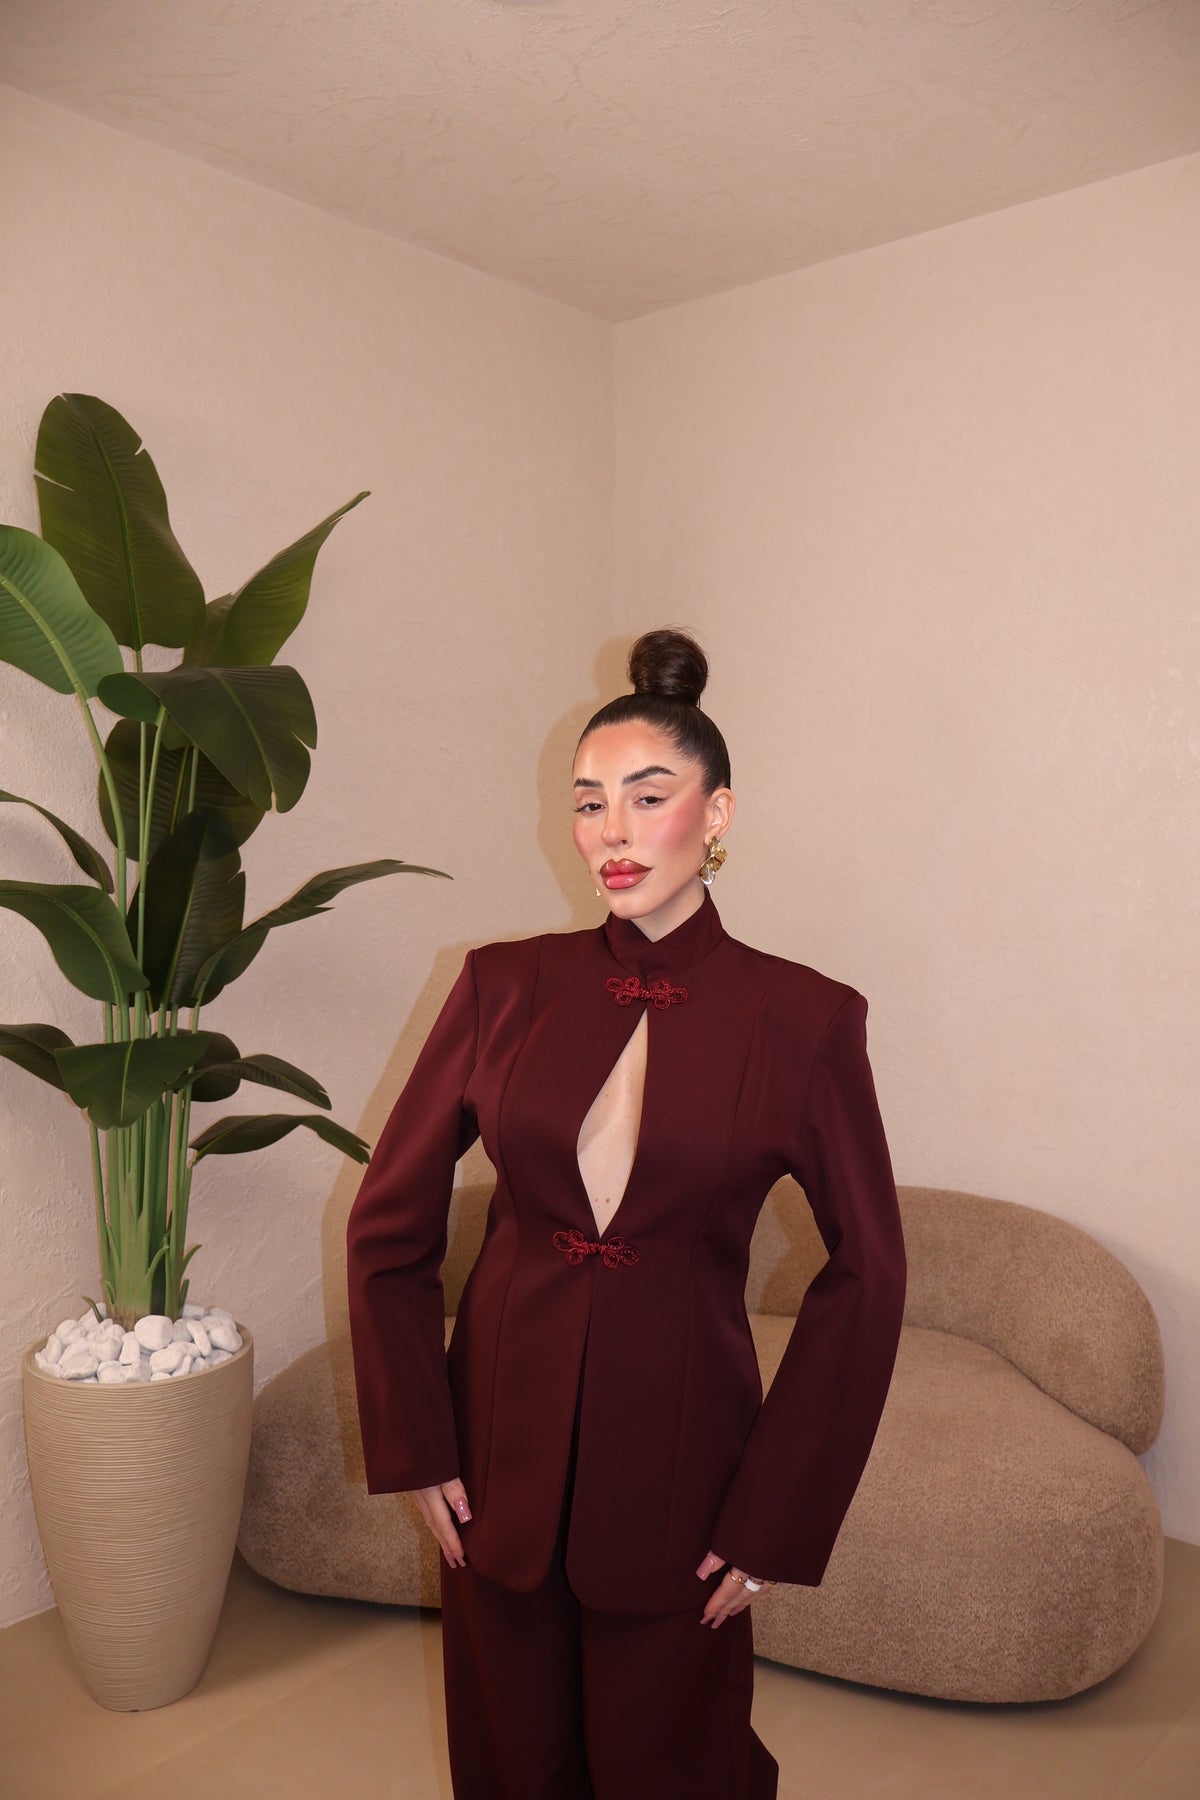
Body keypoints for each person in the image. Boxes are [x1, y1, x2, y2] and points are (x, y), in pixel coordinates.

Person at [345, 627, 907, 1799]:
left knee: (675, 1761)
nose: (613, 830)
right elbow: (388, 1223)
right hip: (495, 1446)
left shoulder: (803, 1020)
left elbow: (870, 1274)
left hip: (685, 1457)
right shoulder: (503, 985)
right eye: (588, 803)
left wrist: (776, 1516)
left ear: (717, 813)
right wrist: (417, 1441)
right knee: (510, 1756)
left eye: (648, 798)